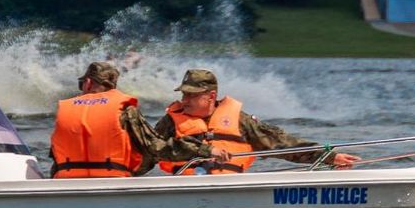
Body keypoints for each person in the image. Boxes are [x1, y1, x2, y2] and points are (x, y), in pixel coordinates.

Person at [155, 69, 361, 175]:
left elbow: (281, 143)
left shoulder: (240, 121)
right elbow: (147, 148)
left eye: (192, 95)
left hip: (230, 190)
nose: (185, 100)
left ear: (210, 96)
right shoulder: (170, 122)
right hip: (185, 186)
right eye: (184, 94)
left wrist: (328, 157)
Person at [49, 61, 231, 178]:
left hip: (67, 184)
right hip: (112, 184)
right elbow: (157, 147)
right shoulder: (124, 110)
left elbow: (57, 156)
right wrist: (205, 150)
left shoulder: (64, 109)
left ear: (87, 83)